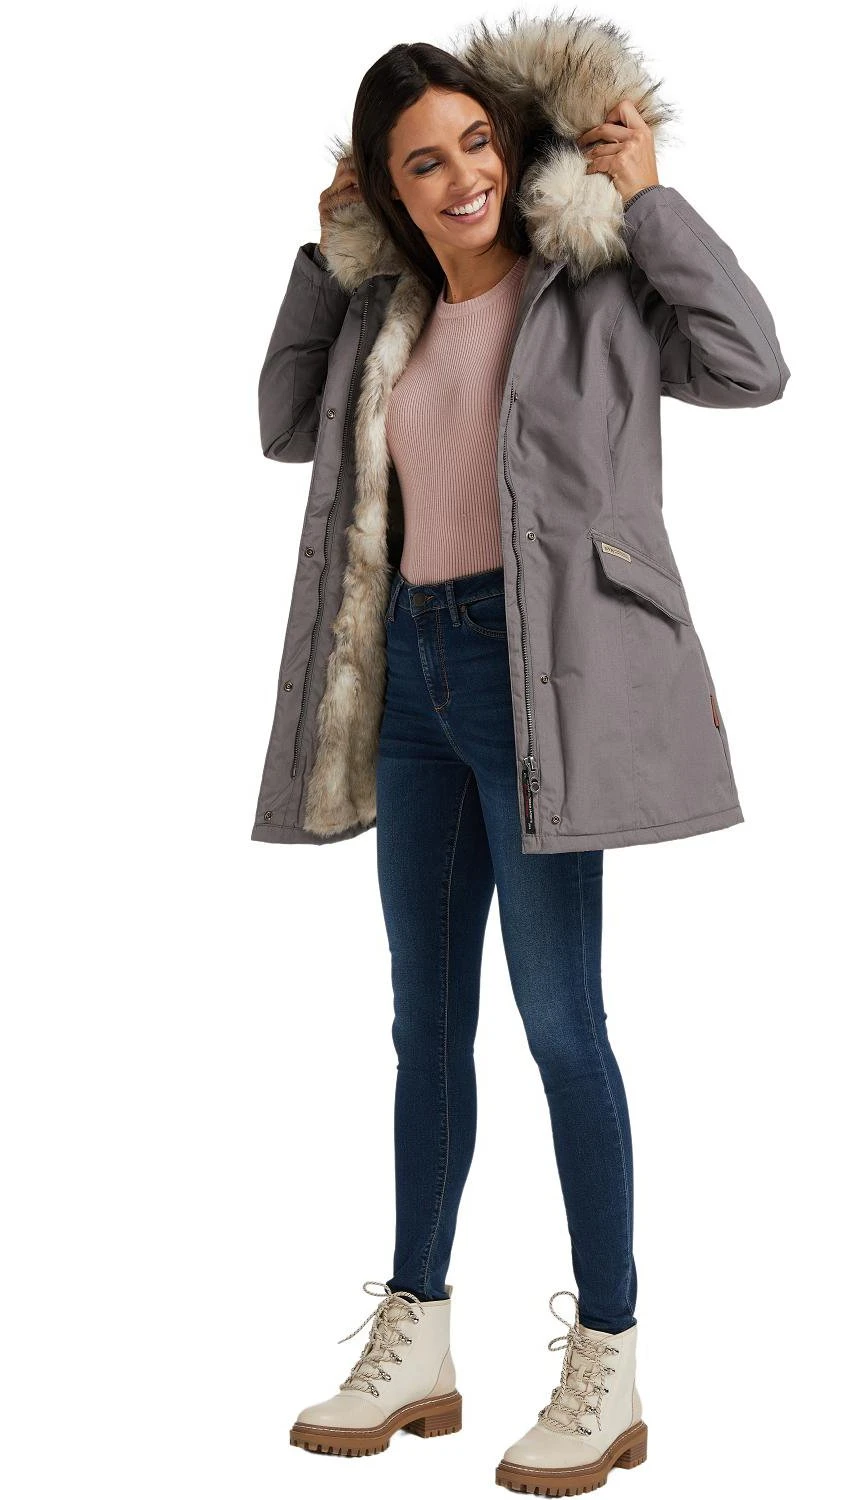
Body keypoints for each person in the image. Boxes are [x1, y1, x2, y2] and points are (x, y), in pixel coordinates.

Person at [254, 12, 789, 1492]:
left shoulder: (592, 285)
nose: (461, 177)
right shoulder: (386, 316)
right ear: (387, 187)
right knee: (424, 1026)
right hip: (415, 685)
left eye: (476, 142)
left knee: (561, 1022)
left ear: (512, 144)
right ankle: (417, 1333)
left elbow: (751, 366)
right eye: (421, 163)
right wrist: (324, 258)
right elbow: (284, 422)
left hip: (539, 677)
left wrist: (649, 199)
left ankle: (607, 1360)